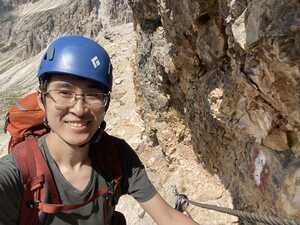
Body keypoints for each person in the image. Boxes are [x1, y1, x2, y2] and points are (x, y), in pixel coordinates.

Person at [0, 35, 199, 225]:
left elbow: (168, 217)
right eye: (64, 92)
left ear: (106, 104)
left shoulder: (116, 156)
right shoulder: (17, 173)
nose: (79, 109)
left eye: (93, 94)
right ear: (41, 100)